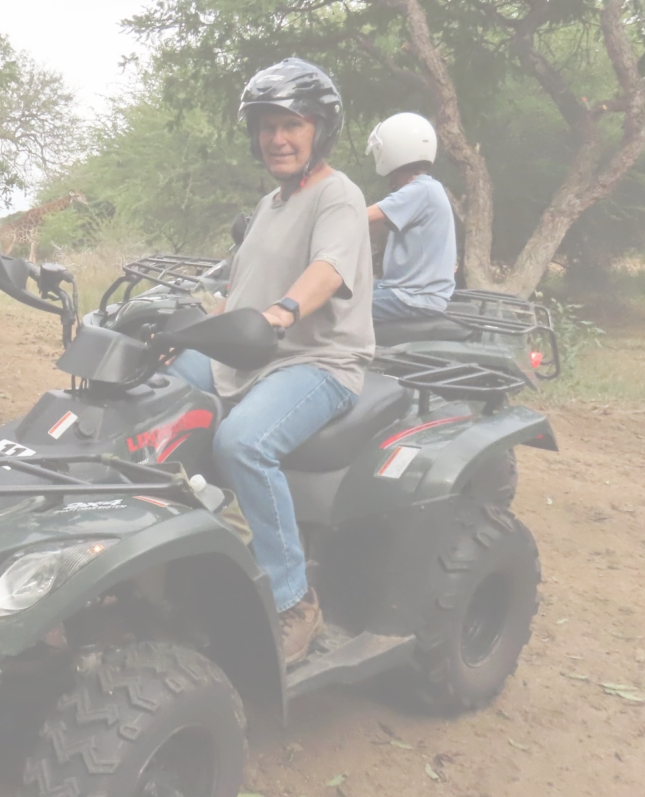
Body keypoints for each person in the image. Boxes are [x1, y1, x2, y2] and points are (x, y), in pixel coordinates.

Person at [170, 57, 374, 666]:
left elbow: (329, 269)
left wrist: (283, 312)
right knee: (151, 399)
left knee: (242, 443)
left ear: (320, 130)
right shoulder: (268, 205)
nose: (277, 139)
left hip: (316, 360)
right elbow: (240, 289)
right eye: (267, 127)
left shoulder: (338, 195)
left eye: (292, 125)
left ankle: (293, 599)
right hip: (249, 354)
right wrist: (193, 329)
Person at [365, 112, 457, 321]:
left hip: (414, 297)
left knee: (332, 308)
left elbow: (361, 217)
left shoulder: (421, 190)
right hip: (406, 291)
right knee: (349, 290)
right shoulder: (426, 189)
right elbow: (371, 226)